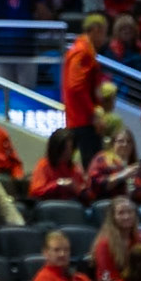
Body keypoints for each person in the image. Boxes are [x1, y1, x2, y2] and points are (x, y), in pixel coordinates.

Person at [62, 13, 108, 166]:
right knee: (93, 167)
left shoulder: (79, 48)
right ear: (95, 30)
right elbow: (76, 86)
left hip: (78, 118)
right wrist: (93, 113)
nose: (105, 38)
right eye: (104, 32)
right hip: (83, 121)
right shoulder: (83, 51)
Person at [87, 127, 141, 204]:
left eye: (129, 142)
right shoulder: (102, 159)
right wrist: (122, 175)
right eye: (121, 141)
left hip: (132, 206)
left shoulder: (135, 166)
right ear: (113, 143)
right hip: (106, 203)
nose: (125, 144)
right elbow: (96, 184)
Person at [29, 230, 98, 281]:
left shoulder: (81, 278)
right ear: (45, 253)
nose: (62, 254)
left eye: (66, 250)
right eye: (56, 250)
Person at [92, 197, 141, 281]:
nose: (126, 217)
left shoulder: (139, 241)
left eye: (130, 212)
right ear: (113, 217)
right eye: (121, 213)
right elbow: (108, 278)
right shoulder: (104, 244)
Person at [28, 127, 85, 202]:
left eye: (70, 149)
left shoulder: (74, 168)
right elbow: (36, 191)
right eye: (64, 149)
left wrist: (76, 188)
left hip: (71, 206)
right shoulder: (43, 165)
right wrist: (59, 184)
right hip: (48, 207)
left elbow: (85, 194)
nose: (68, 153)